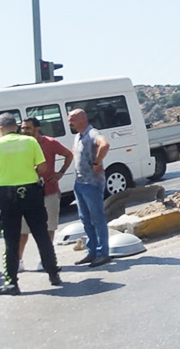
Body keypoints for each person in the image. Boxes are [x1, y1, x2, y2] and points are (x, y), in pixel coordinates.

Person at [0, 112, 62, 295]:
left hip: (7, 194)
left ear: (1, 128)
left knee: (11, 239)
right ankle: (53, 274)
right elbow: (43, 168)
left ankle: (11, 283)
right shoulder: (30, 142)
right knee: (42, 235)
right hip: (31, 192)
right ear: (16, 126)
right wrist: (29, 169)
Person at [19, 117, 73, 271]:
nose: (24, 131)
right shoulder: (21, 145)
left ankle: (46, 260)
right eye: (22, 128)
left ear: (37, 129)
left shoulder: (49, 143)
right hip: (27, 194)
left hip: (49, 191)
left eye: (27, 128)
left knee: (49, 228)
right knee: (23, 230)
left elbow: (69, 155)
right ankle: (18, 261)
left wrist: (60, 173)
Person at [68, 109, 111, 267]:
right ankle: (92, 252)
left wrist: (97, 162)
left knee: (97, 218)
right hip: (80, 183)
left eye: (72, 119)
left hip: (92, 184)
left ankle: (103, 253)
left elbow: (105, 145)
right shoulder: (78, 136)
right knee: (85, 219)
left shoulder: (92, 133)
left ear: (82, 118)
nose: (69, 122)